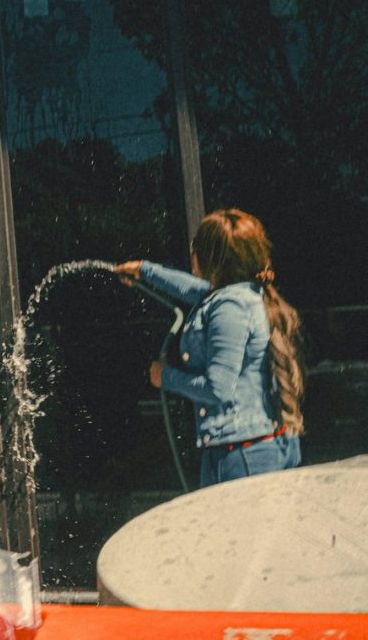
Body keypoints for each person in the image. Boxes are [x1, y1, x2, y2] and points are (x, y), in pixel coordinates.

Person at [114, 208, 304, 488]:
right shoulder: (237, 295)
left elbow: (218, 389)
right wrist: (145, 271)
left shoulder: (230, 307)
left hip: (243, 457)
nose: (192, 253)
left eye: (196, 247)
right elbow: (192, 289)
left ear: (211, 257)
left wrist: (164, 377)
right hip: (243, 448)